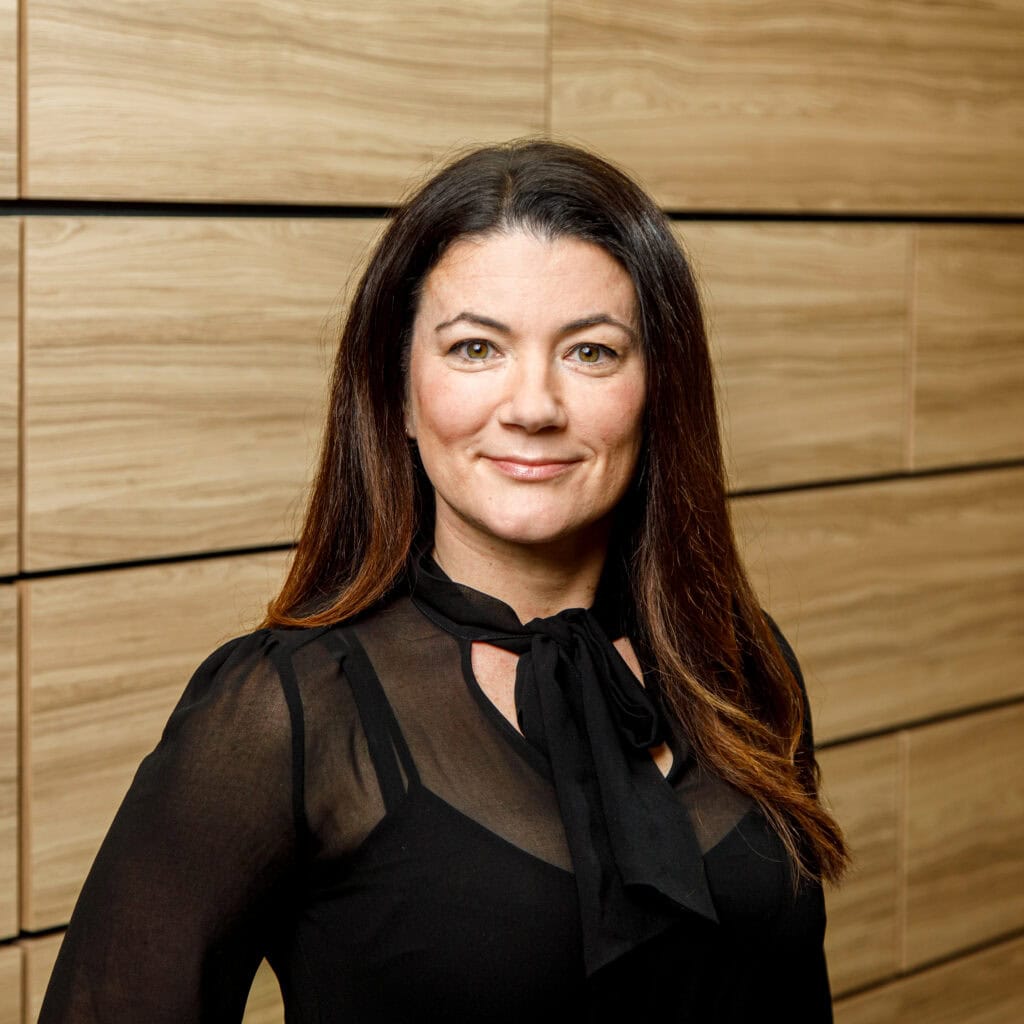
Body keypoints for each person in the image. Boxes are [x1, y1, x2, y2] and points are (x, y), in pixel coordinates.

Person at [40, 139, 848, 1023]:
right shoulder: (292, 712)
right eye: (475, 348)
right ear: (398, 394)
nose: (533, 407)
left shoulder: (736, 663)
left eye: (591, 352)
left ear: (659, 393)